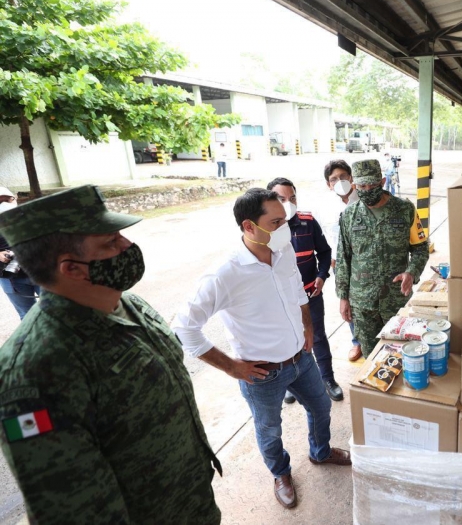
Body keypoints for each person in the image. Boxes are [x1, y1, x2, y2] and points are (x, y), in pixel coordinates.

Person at [0, 185, 221, 524]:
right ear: (71, 269)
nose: (128, 246)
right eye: (110, 242)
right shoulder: (34, 370)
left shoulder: (128, 303)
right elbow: (72, 508)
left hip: (192, 502)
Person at [172, 188, 351, 511]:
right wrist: (232, 367)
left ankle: (320, 451)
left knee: (321, 406)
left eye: (286, 220)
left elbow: (298, 291)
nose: (286, 227)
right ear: (249, 226)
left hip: (301, 358)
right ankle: (281, 474)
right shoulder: (224, 275)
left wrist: (307, 327)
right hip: (263, 373)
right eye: (276, 222)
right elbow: (184, 327)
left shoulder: (283, 253)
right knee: (269, 428)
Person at [336, 159, 430, 358]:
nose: (367, 189)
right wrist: (343, 297)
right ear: (354, 185)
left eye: (372, 184)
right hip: (362, 303)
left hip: (396, 299)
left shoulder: (405, 210)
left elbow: (421, 248)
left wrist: (411, 273)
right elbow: (343, 258)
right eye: (362, 186)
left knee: (402, 352)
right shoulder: (349, 216)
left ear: (382, 181)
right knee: (372, 356)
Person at [266, 177, 343, 403]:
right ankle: (292, 383)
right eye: (280, 199)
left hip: (310, 296)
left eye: (292, 198)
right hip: (280, 301)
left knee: (317, 337)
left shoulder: (308, 222)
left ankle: (327, 379)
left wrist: (321, 277)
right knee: (288, 340)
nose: (288, 203)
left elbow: (325, 253)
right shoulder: (264, 228)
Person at [322, 160, 363, 362]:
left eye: (343, 177)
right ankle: (358, 343)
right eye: (333, 179)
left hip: (364, 265)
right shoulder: (327, 209)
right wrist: (331, 259)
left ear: (351, 177)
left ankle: (375, 340)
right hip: (340, 267)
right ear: (328, 185)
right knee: (347, 307)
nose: (339, 181)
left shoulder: (365, 200)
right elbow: (326, 238)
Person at [0, 187, 40, 319]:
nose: (4, 204)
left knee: (58, 311)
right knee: (27, 316)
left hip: (41, 272)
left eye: (7, 200)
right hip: (12, 279)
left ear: (15, 199)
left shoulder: (32, 218)